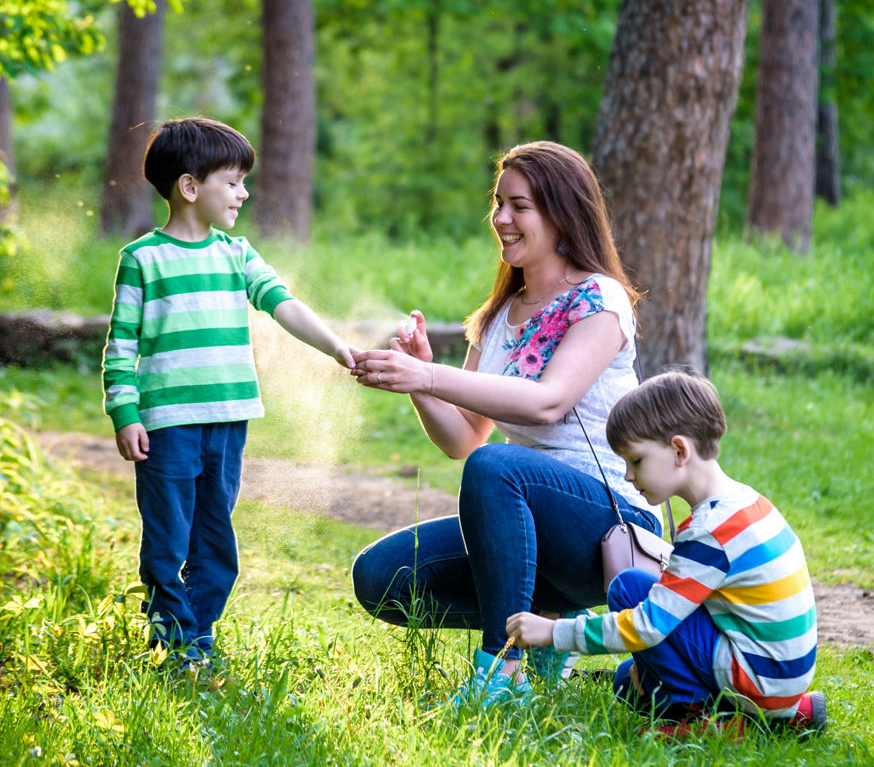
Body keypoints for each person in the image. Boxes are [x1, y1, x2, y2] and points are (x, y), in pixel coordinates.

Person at [347, 140, 661, 706]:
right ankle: (547, 632)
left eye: (519, 206)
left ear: (562, 213)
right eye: (498, 204)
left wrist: (429, 377)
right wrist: (418, 378)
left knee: (499, 468)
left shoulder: (599, 299)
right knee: (381, 579)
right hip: (524, 523)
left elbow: (547, 402)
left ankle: (502, 671)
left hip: (610, 523)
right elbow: (465, 439)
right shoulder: (496, 318)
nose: (501, 219)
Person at [102, 116, 354, 669]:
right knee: (168, 542)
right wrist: (125, 413)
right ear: (190, 187)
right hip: (166, 426)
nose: (244, 192)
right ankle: (177, 643)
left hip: (228, 421)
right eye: (234, 181)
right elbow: (120, 347)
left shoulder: (236, 254)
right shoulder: (142, 259)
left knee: (216, 546)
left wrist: (336, 347)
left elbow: (284, 303)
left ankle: (196, 638)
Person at [506, 371, 825, 735]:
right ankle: (790, 713)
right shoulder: (746, 501)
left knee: (628, 589)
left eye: (636, 461)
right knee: (628, 681)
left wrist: (554, 631)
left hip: (759, 678)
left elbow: (647, 627)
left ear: (679, 451)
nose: (627, 476)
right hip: (782, 675)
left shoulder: (710, 531)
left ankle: (705, 721)